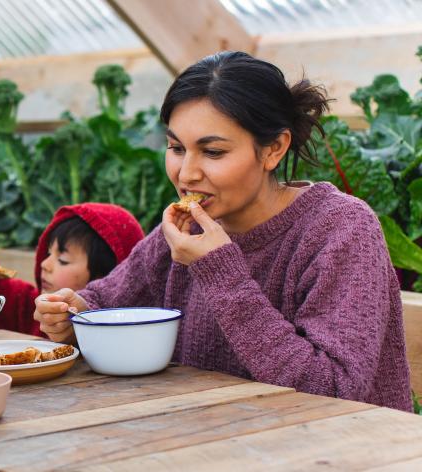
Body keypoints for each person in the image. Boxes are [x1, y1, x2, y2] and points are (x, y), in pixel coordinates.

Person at [34, 51, 412, 411]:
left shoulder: (341, 229)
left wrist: (221, 272)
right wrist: (73, 316)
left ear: (274, 149)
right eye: (176, 147)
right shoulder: (186, 227)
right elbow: (104, 301)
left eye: (212, 152)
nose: (186, 174)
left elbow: (333, 389)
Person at [0, 203, 144, 337]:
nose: (45, 264)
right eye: (47, 254)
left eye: (63, 259)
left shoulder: (121, 338)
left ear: (111, 278)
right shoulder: (30, 309)